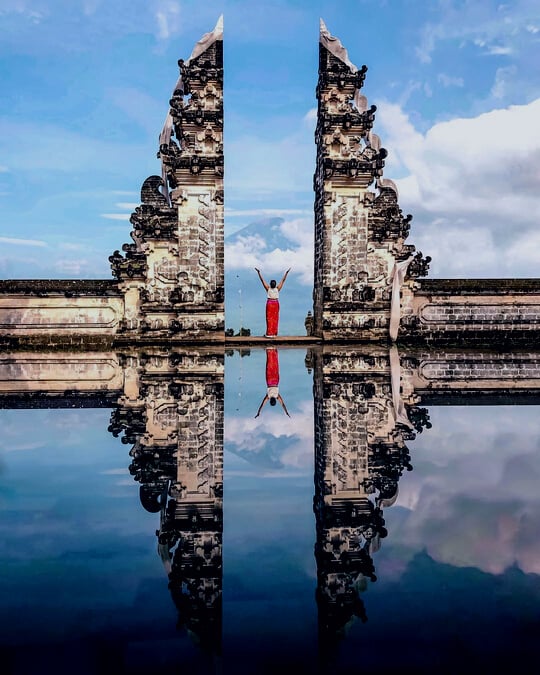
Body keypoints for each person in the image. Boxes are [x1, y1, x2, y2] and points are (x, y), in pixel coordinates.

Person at [254, 267, 291, 338]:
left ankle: (269, 333)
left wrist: (259, 273)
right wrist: (286, 273)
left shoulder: (268, 288)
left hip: (270, 303)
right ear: (274, 284)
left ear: (270, 284)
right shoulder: (277, 288)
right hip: (275, 303)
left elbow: (262, 280)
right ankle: (273, 333)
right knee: (274, 318)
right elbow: (283, 280)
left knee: (269, 318)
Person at [255, 347, 290, 417]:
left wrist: (286, 412)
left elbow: (283, 404)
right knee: (269, 364)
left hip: (276, 380)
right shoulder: (268, 396)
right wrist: (258, 412)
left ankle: (274, 351)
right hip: (269, 380)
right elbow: (262, 404)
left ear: (275, 400)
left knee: (275, 365)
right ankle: (269, 351)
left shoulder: (277, 396)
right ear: (270, 400)